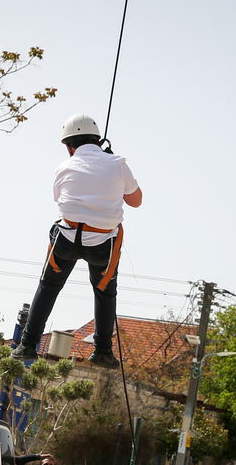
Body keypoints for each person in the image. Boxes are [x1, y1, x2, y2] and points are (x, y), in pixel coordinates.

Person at [9, 113, 142, 369]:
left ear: (70, 147)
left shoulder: (63, 167)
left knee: (48, 286)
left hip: (66, 239)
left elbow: (60, 199)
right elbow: (136, 201)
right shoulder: (118, 163)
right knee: (105, 292)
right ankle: (102, 351)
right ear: (98, 141)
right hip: (102, 243)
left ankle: (28, 344)